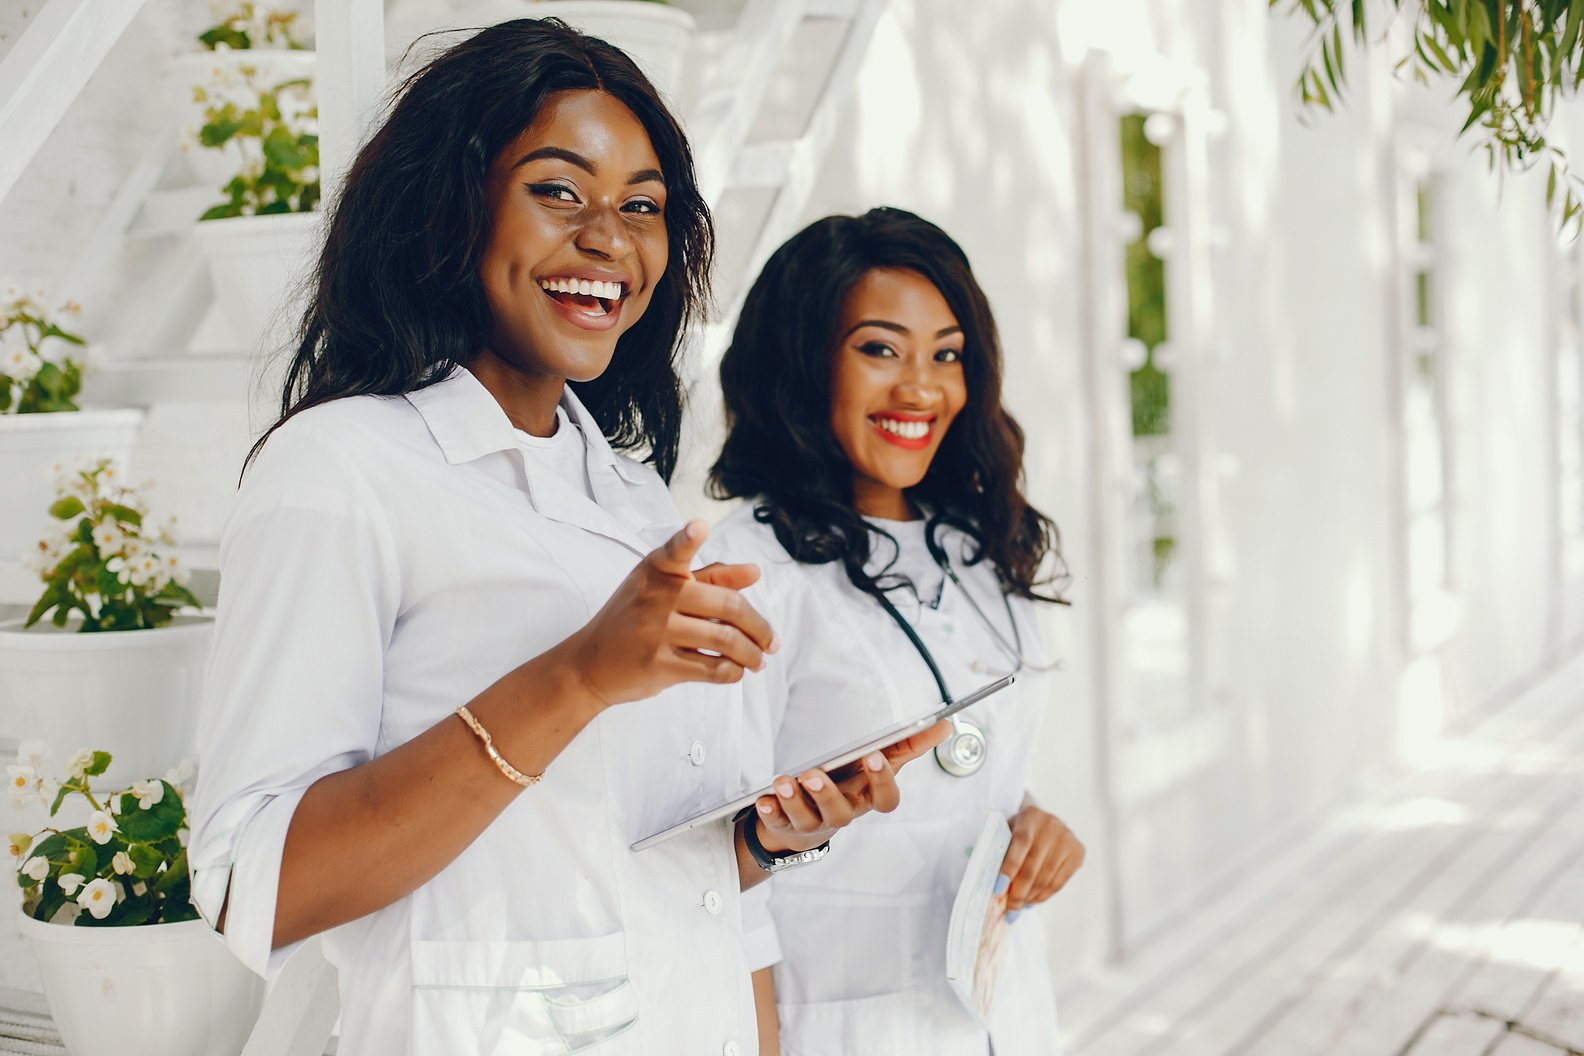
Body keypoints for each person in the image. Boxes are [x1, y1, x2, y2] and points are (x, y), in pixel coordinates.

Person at [188, 25, 945, 1056]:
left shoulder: (637, 503)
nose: (610, 237)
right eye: (558, 190)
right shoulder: (339, 471)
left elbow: (652, 877)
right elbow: (253, 890)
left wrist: (769, 836)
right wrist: (578, 676)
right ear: (451, 207)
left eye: (642, 206)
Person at [708, 207, 1086, 1055]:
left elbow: (976, 763)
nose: (921, 388)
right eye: (880, 349)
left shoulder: (980, 543)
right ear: (805, 363)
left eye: (945, 354)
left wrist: (1033, 827)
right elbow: (715, 877)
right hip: (838, 1023)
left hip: (1002, 1016)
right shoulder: (747, 575)